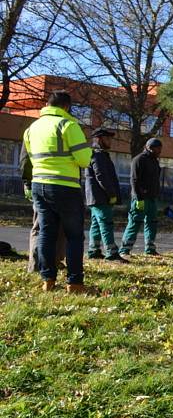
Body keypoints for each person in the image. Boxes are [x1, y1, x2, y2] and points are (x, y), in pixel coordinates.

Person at [23, 90, 92, 292]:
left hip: (39, 185)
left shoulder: (32, 128)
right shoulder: (68, 125)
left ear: (47, 104)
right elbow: (84, 160)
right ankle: (75, 282)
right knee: (74, 236)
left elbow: (30, 158)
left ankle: (48, 280)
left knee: (46, 232)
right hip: (65, 187)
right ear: (66, 107)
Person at [19, 144, 66, 273]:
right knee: (41, 225)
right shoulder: (35, 131)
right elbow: (25, 160)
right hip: (41, 184)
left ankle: (53, 262)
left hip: (53, 184)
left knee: (56, 226)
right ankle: (35, 264)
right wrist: (27, 183)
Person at [85, 128, 127, 263]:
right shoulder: (98, 155)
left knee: (97, 225)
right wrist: (111, 193)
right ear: (99, 139)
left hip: (95, 197)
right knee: (106, 224)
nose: (110, 141)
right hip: (101, 197)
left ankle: (94, 250)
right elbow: (101, 176)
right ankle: (112, 253)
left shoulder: (98, 154)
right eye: (107, 139)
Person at [120, 138, 162, 256]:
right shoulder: (139, 159)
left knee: (151, 222)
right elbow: (134, 180)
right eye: (157, 148)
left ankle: (150, 248)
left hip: (152, 198)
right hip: (141, 198)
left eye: (160, 148)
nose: (159, 151)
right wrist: (138, 198)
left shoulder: (154, 161)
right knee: (135, 222)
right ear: (149, 147)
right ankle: (125, 250)